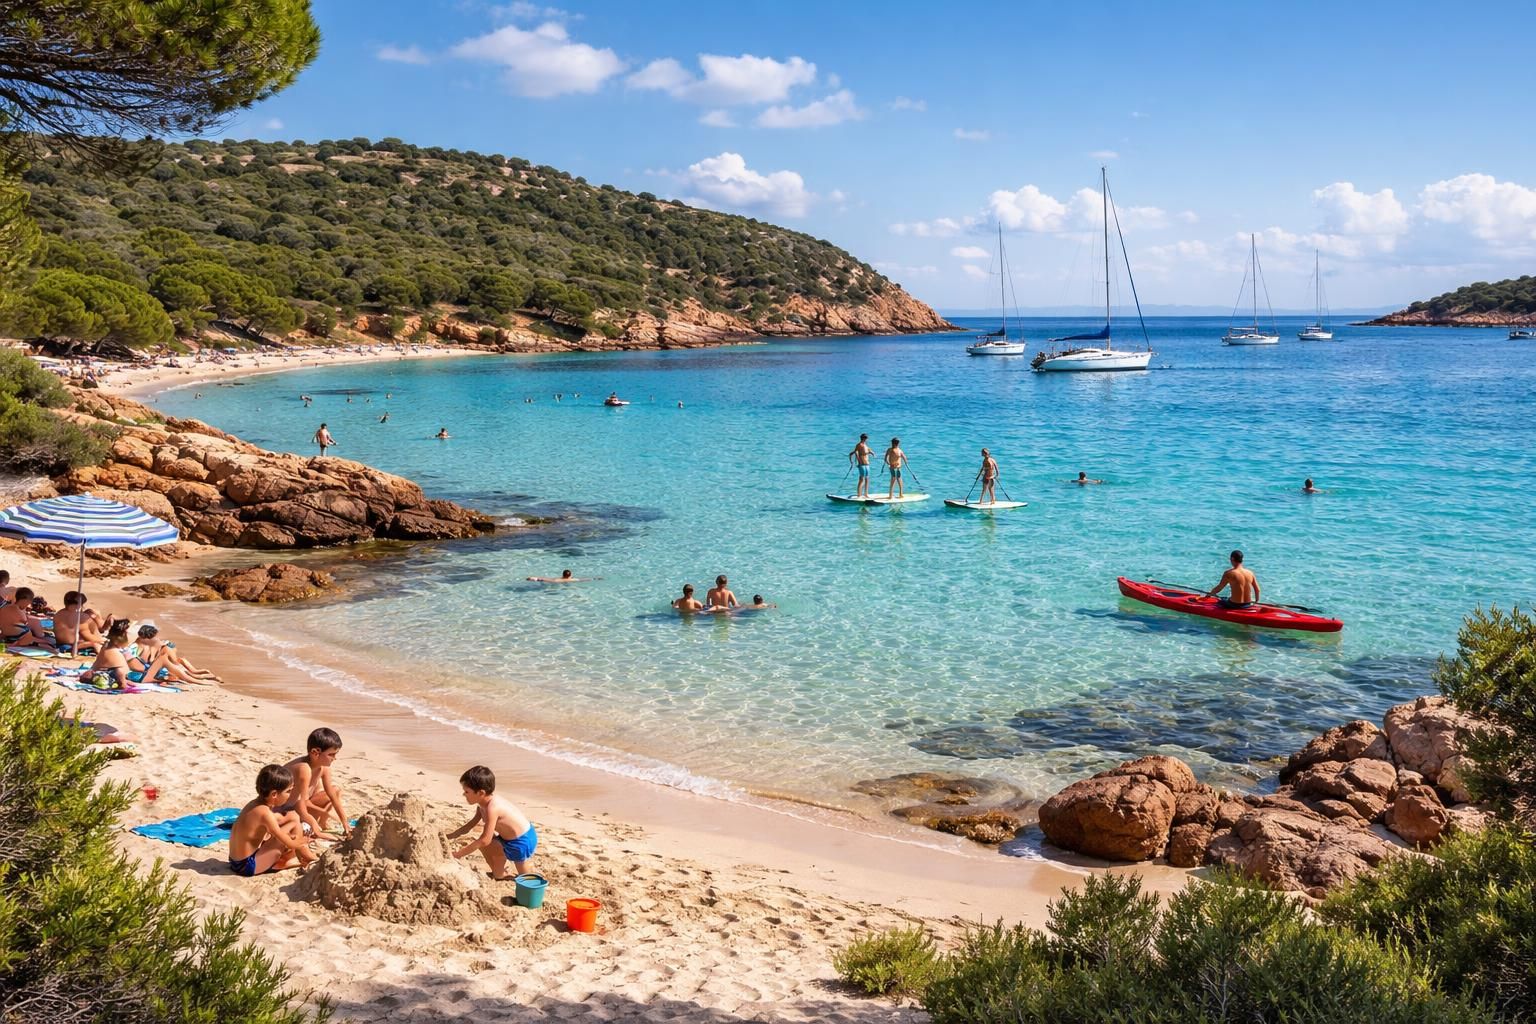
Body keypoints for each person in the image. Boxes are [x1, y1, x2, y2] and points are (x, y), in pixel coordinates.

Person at [447, 765, 536, 880]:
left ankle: (520, 879)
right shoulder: (482, 805)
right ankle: (498, 872)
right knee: (484, 848)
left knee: (525, 878)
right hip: (507, 838)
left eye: (466, 791)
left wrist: (459, 854)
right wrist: (451, 836)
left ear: (480, 793)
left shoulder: (492, 808)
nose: (463, 794)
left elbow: (485, 839)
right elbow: (470, 825)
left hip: (522, 840)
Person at [228, 764, 317, 877]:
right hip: (246, 866)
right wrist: (303, 842)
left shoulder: (254, 804)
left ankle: (294, 856)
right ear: (274, 794)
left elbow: (274, 822)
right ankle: (303, 857)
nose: (289, 795)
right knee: (292, 838)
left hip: (235, 861)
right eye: (288, 791)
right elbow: (287, 842)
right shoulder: (265, 813)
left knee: (293, 818)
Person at [278, 727, 352, 839]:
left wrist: (344, 822)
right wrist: (325, 814)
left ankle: (321, 823)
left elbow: (332, 795)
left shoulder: (323, 768)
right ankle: (315, 826)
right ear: (315, 753)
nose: (334, 758)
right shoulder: (303, 768)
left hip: (301, 806)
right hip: (285, 810)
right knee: (304, 830)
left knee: (336, 790)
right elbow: (301, 804)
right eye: (331, 755)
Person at [134, 623, 220, 683]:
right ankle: (199, 674)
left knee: (177, 660)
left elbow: (152, 657)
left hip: (163, 656)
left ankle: (198, 674)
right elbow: (149, 661)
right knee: (173, 656)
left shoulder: (145, 643)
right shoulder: (140, 645)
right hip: (159, 660)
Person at [848, 433, 873, 498]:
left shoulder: (865, 445)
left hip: (867, 464)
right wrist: (855, 462)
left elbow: (868, 450)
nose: (866, 440)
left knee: (867, 479)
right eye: (866, 438)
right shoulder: (859, 445)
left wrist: (871, 452)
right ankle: (859, 494)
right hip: (862, 464)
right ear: (864, 438)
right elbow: (855, 453)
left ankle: (866, 494)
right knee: (861, 479)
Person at [526, 569, 593, 583]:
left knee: (542, 580)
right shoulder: (574, 580)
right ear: (570, 575)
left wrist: (534, 578)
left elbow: (543, 579)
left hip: (555, 582)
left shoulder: (557, 580)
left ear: (562, 574)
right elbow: (584, 579)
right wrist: (595, 578)